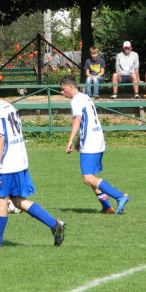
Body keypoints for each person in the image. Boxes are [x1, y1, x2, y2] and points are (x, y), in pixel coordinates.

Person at [0, 78, 65, 250]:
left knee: (0, 200)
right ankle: (54, 224)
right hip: (20, 159)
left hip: (7, 163)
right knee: (17, 200)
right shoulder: (8, 105)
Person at [60, 75, 130, 215]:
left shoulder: (76, 101)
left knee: (88, 178)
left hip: (91, 142)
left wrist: (70, 141)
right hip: (97, 139)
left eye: (63, 89)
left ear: (71, 87)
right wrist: (79, 140)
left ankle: (120, 196)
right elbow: (88, 120)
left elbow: (78, 120)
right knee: (91, 177)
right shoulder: (85, 97)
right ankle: (106, 207)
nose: (62, 92)